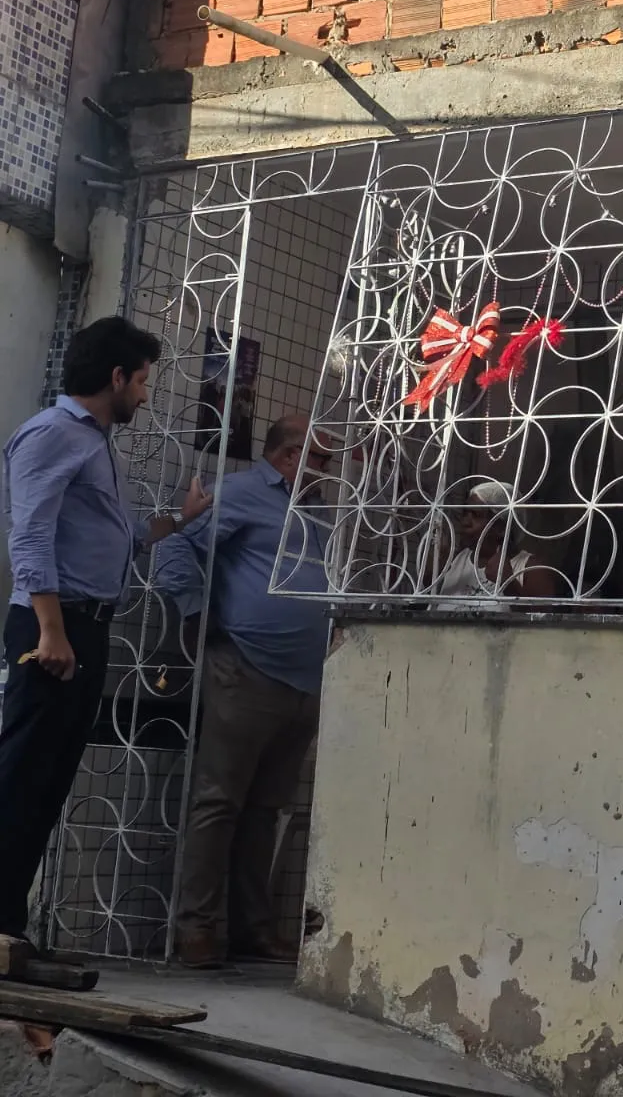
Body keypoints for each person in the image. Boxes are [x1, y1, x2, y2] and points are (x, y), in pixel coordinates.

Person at [0, 316, 211, 945]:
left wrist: (179, 520)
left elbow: (121, 539)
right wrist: (50, 631)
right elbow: (29, 537)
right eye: (142, 381)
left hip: (83, 627)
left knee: (48, 781)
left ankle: (8, 926)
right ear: (116, 377)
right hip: (52, 628)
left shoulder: (93, 443)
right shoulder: (52, 433)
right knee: (21, 776)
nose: (145, 395)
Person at [153, 414, 333, 969]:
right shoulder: (239, 494)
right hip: (246, 668)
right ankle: (197, 929)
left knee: (266, 809)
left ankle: (254, 929)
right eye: (319, 458)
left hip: (305, 679)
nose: (327, 470)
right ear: (288, 455)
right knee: (219, 801)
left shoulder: (319, 509)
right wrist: (196, 614)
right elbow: (176, 547)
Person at [436, 480, 553, 609]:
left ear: (502, 527)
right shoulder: (458, 559)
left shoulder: (530, 569)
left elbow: (545, 620)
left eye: (476, 515)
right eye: (465, 513)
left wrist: (508, 584)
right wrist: (438, 562)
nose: (465, 522)